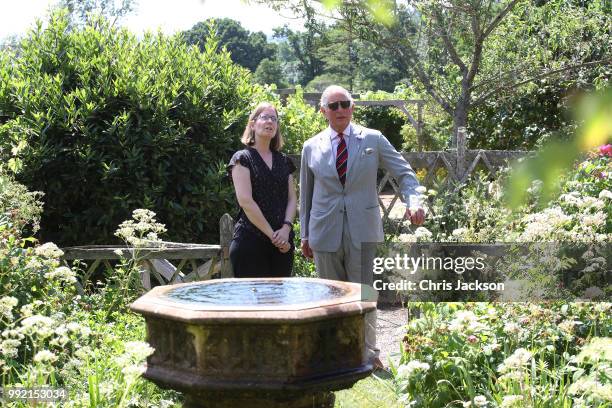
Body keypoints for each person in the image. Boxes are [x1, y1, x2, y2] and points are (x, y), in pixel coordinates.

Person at [299, 85, 425, 366]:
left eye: (345, 104)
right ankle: (334, 354)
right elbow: (306, 195)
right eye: (334, 106)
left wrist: (413, 201)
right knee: (330, 296)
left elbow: (405, 173)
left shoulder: (373, 139)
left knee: (364, 291)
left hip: (363, 228)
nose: (341, 109)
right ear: (323, 112)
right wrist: (305, 234)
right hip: (324, 231)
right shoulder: (311, 146)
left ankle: (368, 353)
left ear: (352, 107)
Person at [227, 102, 297, 277]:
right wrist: (275, 236)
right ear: (252, 124)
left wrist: (286, 230)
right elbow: (245, 201)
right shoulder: (241, 159)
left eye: (274, 119)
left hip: (283, 246)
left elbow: (292, 199)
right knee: (251, 304)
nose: (270, 122)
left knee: (279, 303)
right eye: (265, 117)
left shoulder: (284, 161)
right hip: (250, 243)